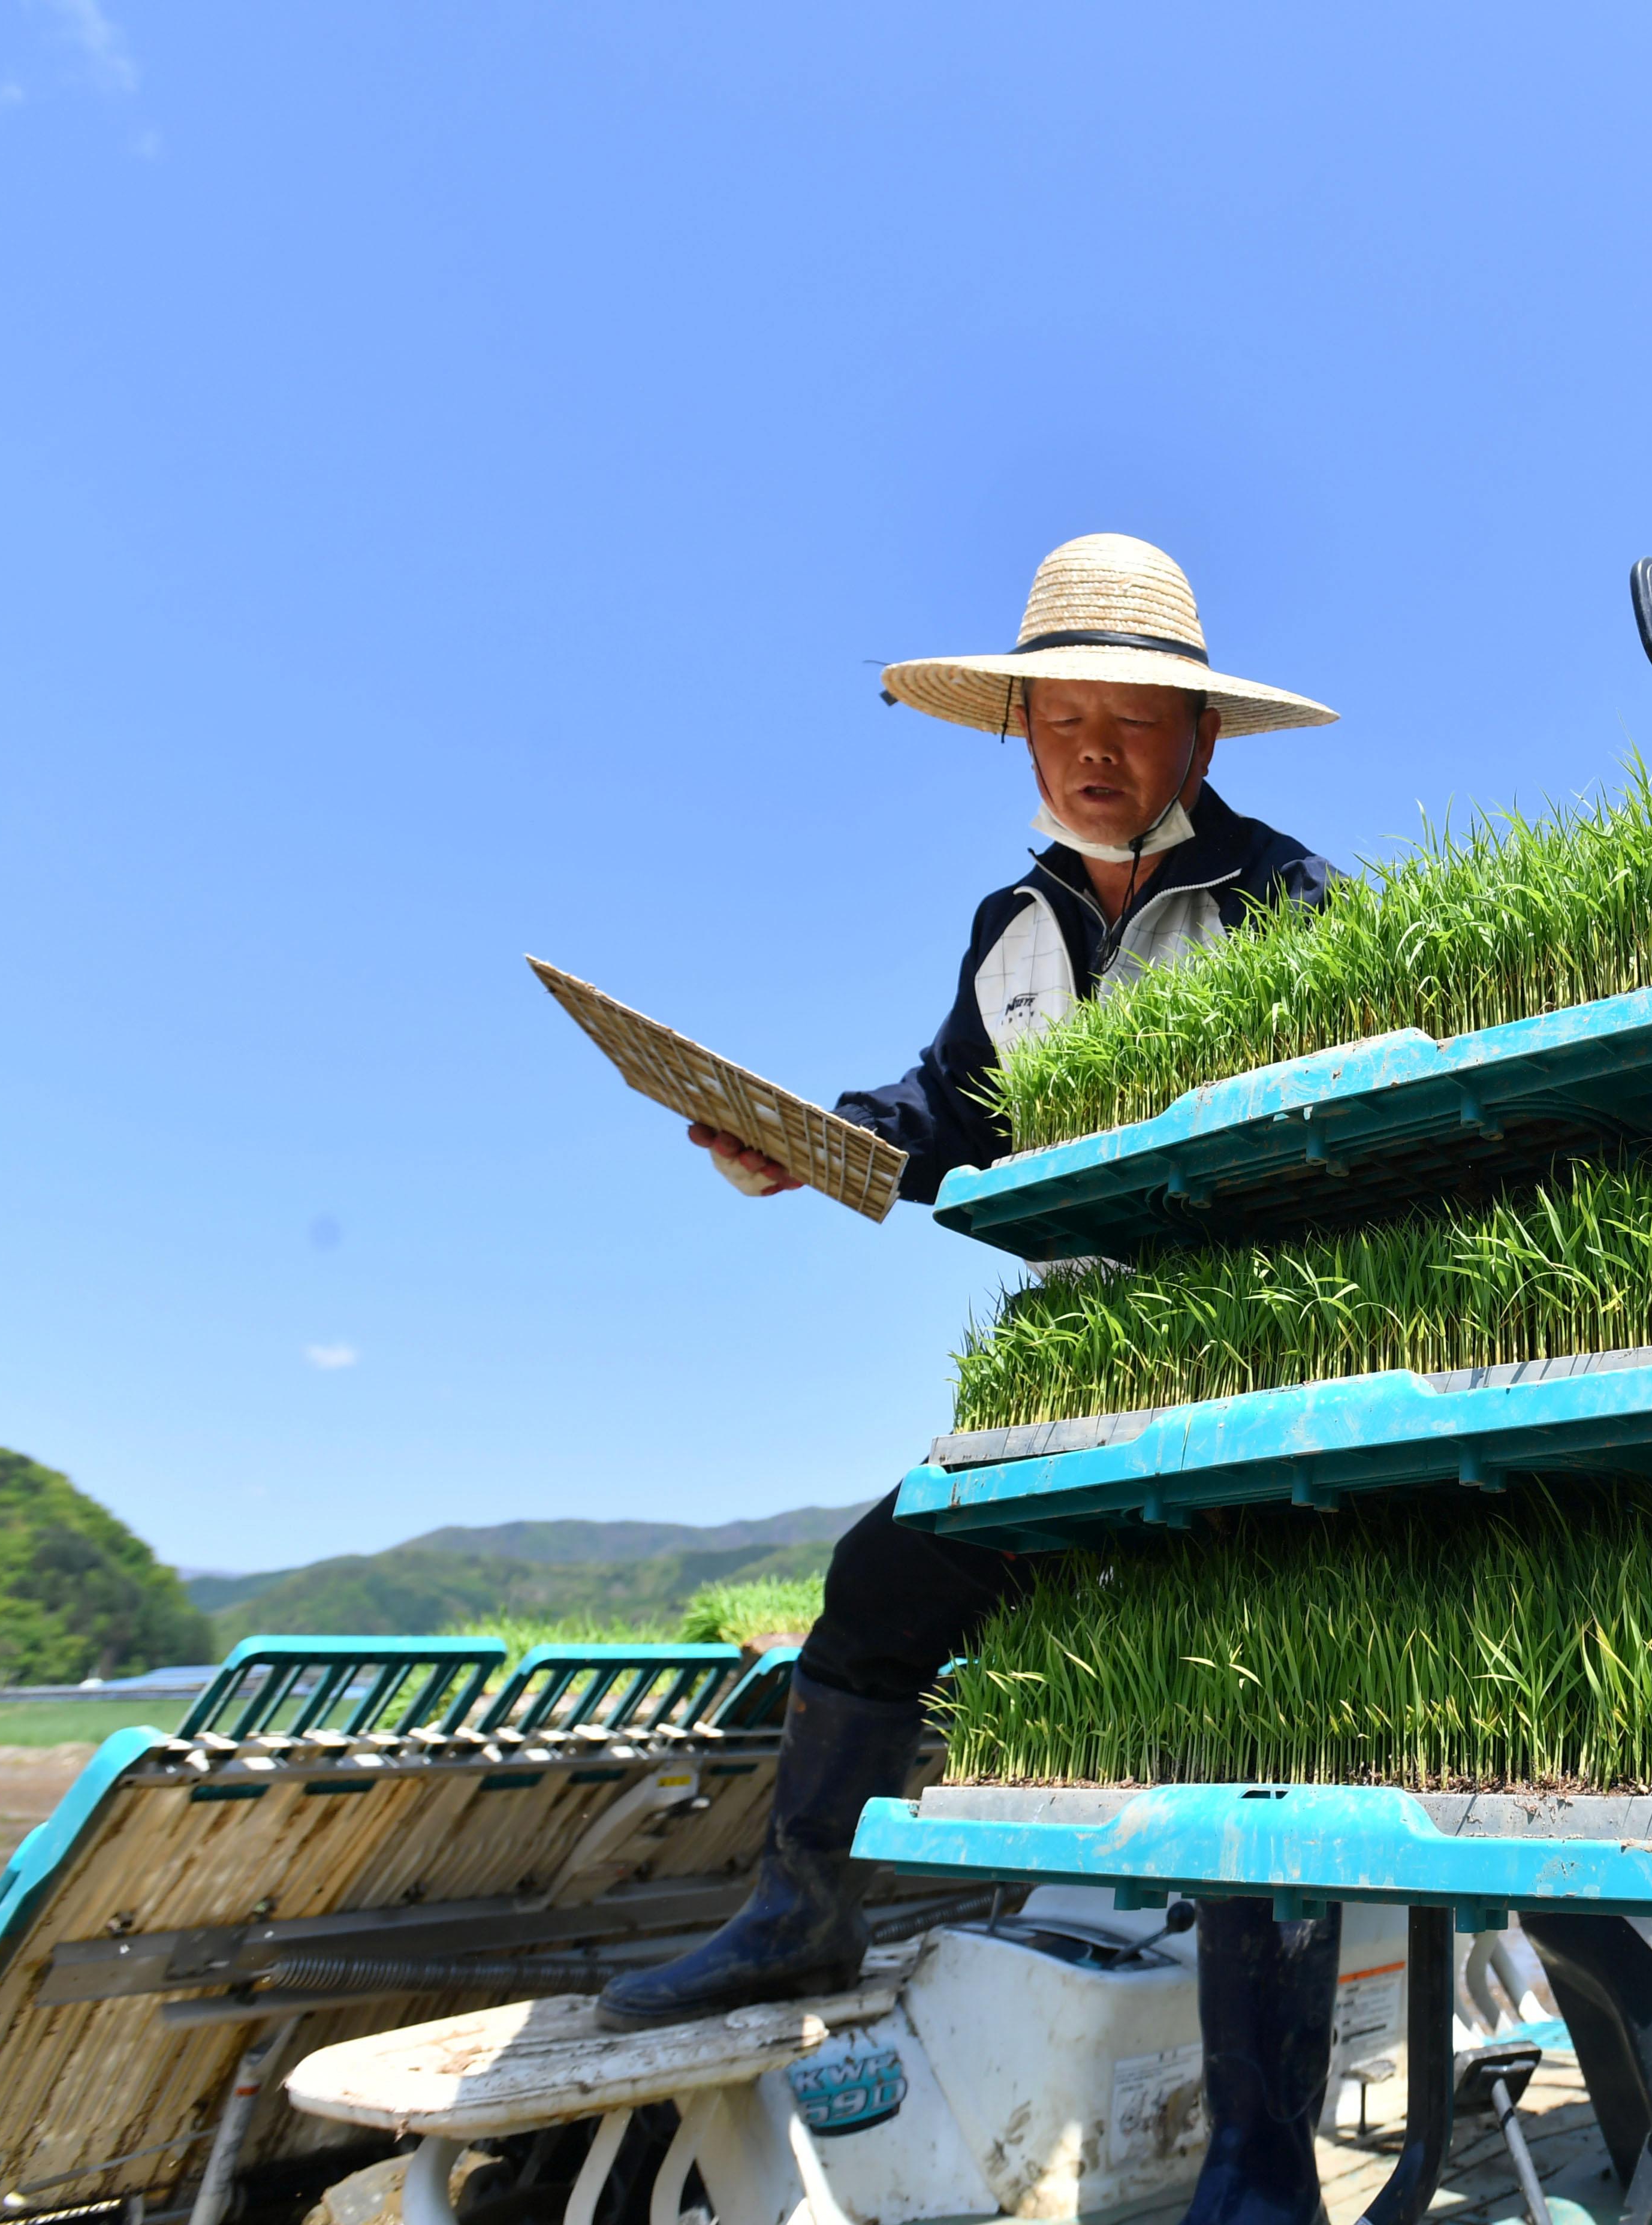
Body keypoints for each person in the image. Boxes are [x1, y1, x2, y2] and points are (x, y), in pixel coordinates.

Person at [602, 533, 1352, 2225]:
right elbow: (949, 1112)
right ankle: (802, 1908)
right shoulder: (1007, 931)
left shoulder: (1285, 905)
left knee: (1244, 1716)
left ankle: (1258, 2155)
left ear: (1202, 743)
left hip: (1250, 1379)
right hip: (1078, 1383)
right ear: (1018, 729)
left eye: (1136, 721)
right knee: (880, 1576)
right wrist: (822, 1146)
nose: (1096, 751)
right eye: (1061, 716)